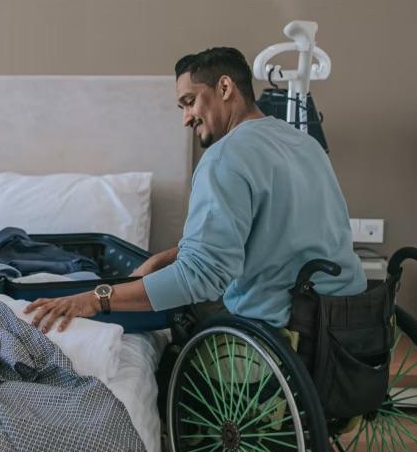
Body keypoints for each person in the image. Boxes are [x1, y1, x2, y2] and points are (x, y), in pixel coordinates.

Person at [24, 46, 365, 332]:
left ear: (225, 88)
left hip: (282, 328)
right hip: (343, 319)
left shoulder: (225, 157)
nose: (186, 118)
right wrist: (166, 257)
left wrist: (95, 298)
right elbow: (274, 235)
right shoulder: (306, 145)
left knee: (179, 321)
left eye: (190, 101)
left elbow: (201, 278)